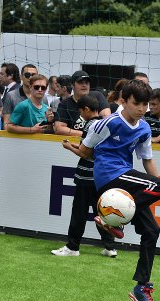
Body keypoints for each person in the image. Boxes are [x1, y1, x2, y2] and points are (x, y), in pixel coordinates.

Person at [65, 79, 160, 301]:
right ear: (123, 100)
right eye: (137, 103)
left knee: (152, 231)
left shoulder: (145, 128)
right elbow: (86, 151)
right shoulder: (108, 123)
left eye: (146, 104)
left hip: (125, 180)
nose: (142, 108)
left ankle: (141, 287)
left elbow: (147, 159)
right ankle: (111, 217)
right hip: (109, 177)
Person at [51, 95, 116, 257]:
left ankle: (72, 247)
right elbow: (91, 150)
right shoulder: (104, 125)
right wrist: (75, 145)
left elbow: (84, 153)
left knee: (79, 213)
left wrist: (68, 147)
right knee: (101, 212)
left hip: (86, 176)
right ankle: (110, 247)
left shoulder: (90, 126)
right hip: (100, 176)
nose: (81, 115)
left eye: (81, 111)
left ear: (87, 109)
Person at [54, 70, 111, 137]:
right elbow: (59, 129)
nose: (84, 85)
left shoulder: (97, 96)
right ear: (72, 85)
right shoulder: (65, 104)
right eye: (80, 82)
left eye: (87, 82)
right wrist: (86, 135)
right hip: (75, 142)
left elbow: (107, 120)